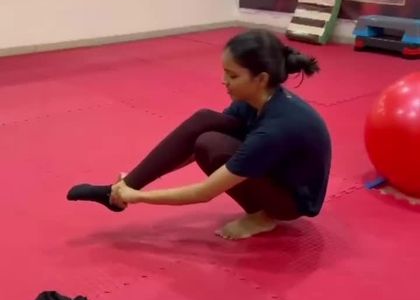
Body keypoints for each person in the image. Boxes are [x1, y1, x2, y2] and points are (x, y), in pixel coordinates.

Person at [67, 29, 331, 240]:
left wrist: (138, 198)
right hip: (275, 168)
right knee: (206, 122)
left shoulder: (275, 129)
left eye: (232, 75)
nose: (224, 81)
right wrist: (129, 186)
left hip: (290, 200)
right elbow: (192, 147)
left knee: (212, 144)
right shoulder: (254, 99)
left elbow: (204, 193)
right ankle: (116, 193)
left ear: (261, 79)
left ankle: (262, 217)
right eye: (224, 72)